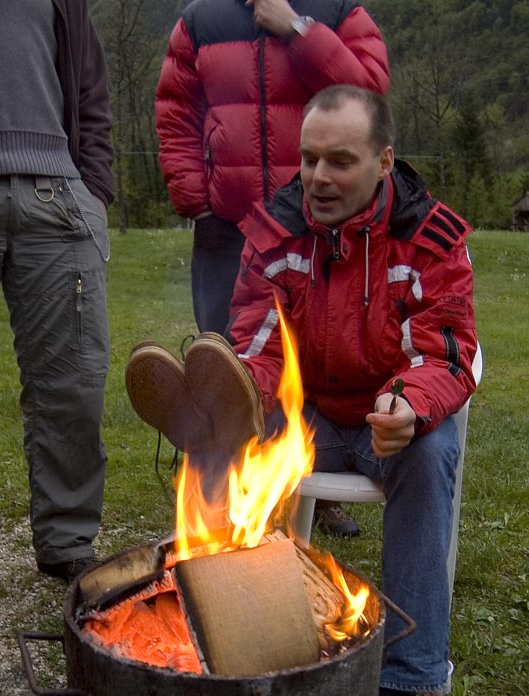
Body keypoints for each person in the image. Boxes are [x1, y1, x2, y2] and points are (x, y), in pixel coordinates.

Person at [128, 85, 478, 696]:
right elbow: (259, 345)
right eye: (309, 159)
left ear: (384, 161)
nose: (317, 177)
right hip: (307, 414)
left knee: (431, 452)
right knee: (222, 434)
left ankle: (402, 686)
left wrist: (409, 405)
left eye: (339, 161)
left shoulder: (429, 238)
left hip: (383, 414)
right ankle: (222, 627)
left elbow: (447, 352)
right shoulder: (274, 233)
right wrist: (240, 392)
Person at [154, 0, 390, 537]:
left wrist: (299, 31)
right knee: (225, 359)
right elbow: (175, 110)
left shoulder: (336, 10)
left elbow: (369, 95)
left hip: (314, 222)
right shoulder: (201, 18)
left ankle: (312, 488)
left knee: (315, 355)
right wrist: (196, 197)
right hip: (227, 224)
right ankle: (216, 503)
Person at [0, 0, 113, 591]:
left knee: (73, 381)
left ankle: (67, 540)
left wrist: (94, 192)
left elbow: (91, 92)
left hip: (57, 193)